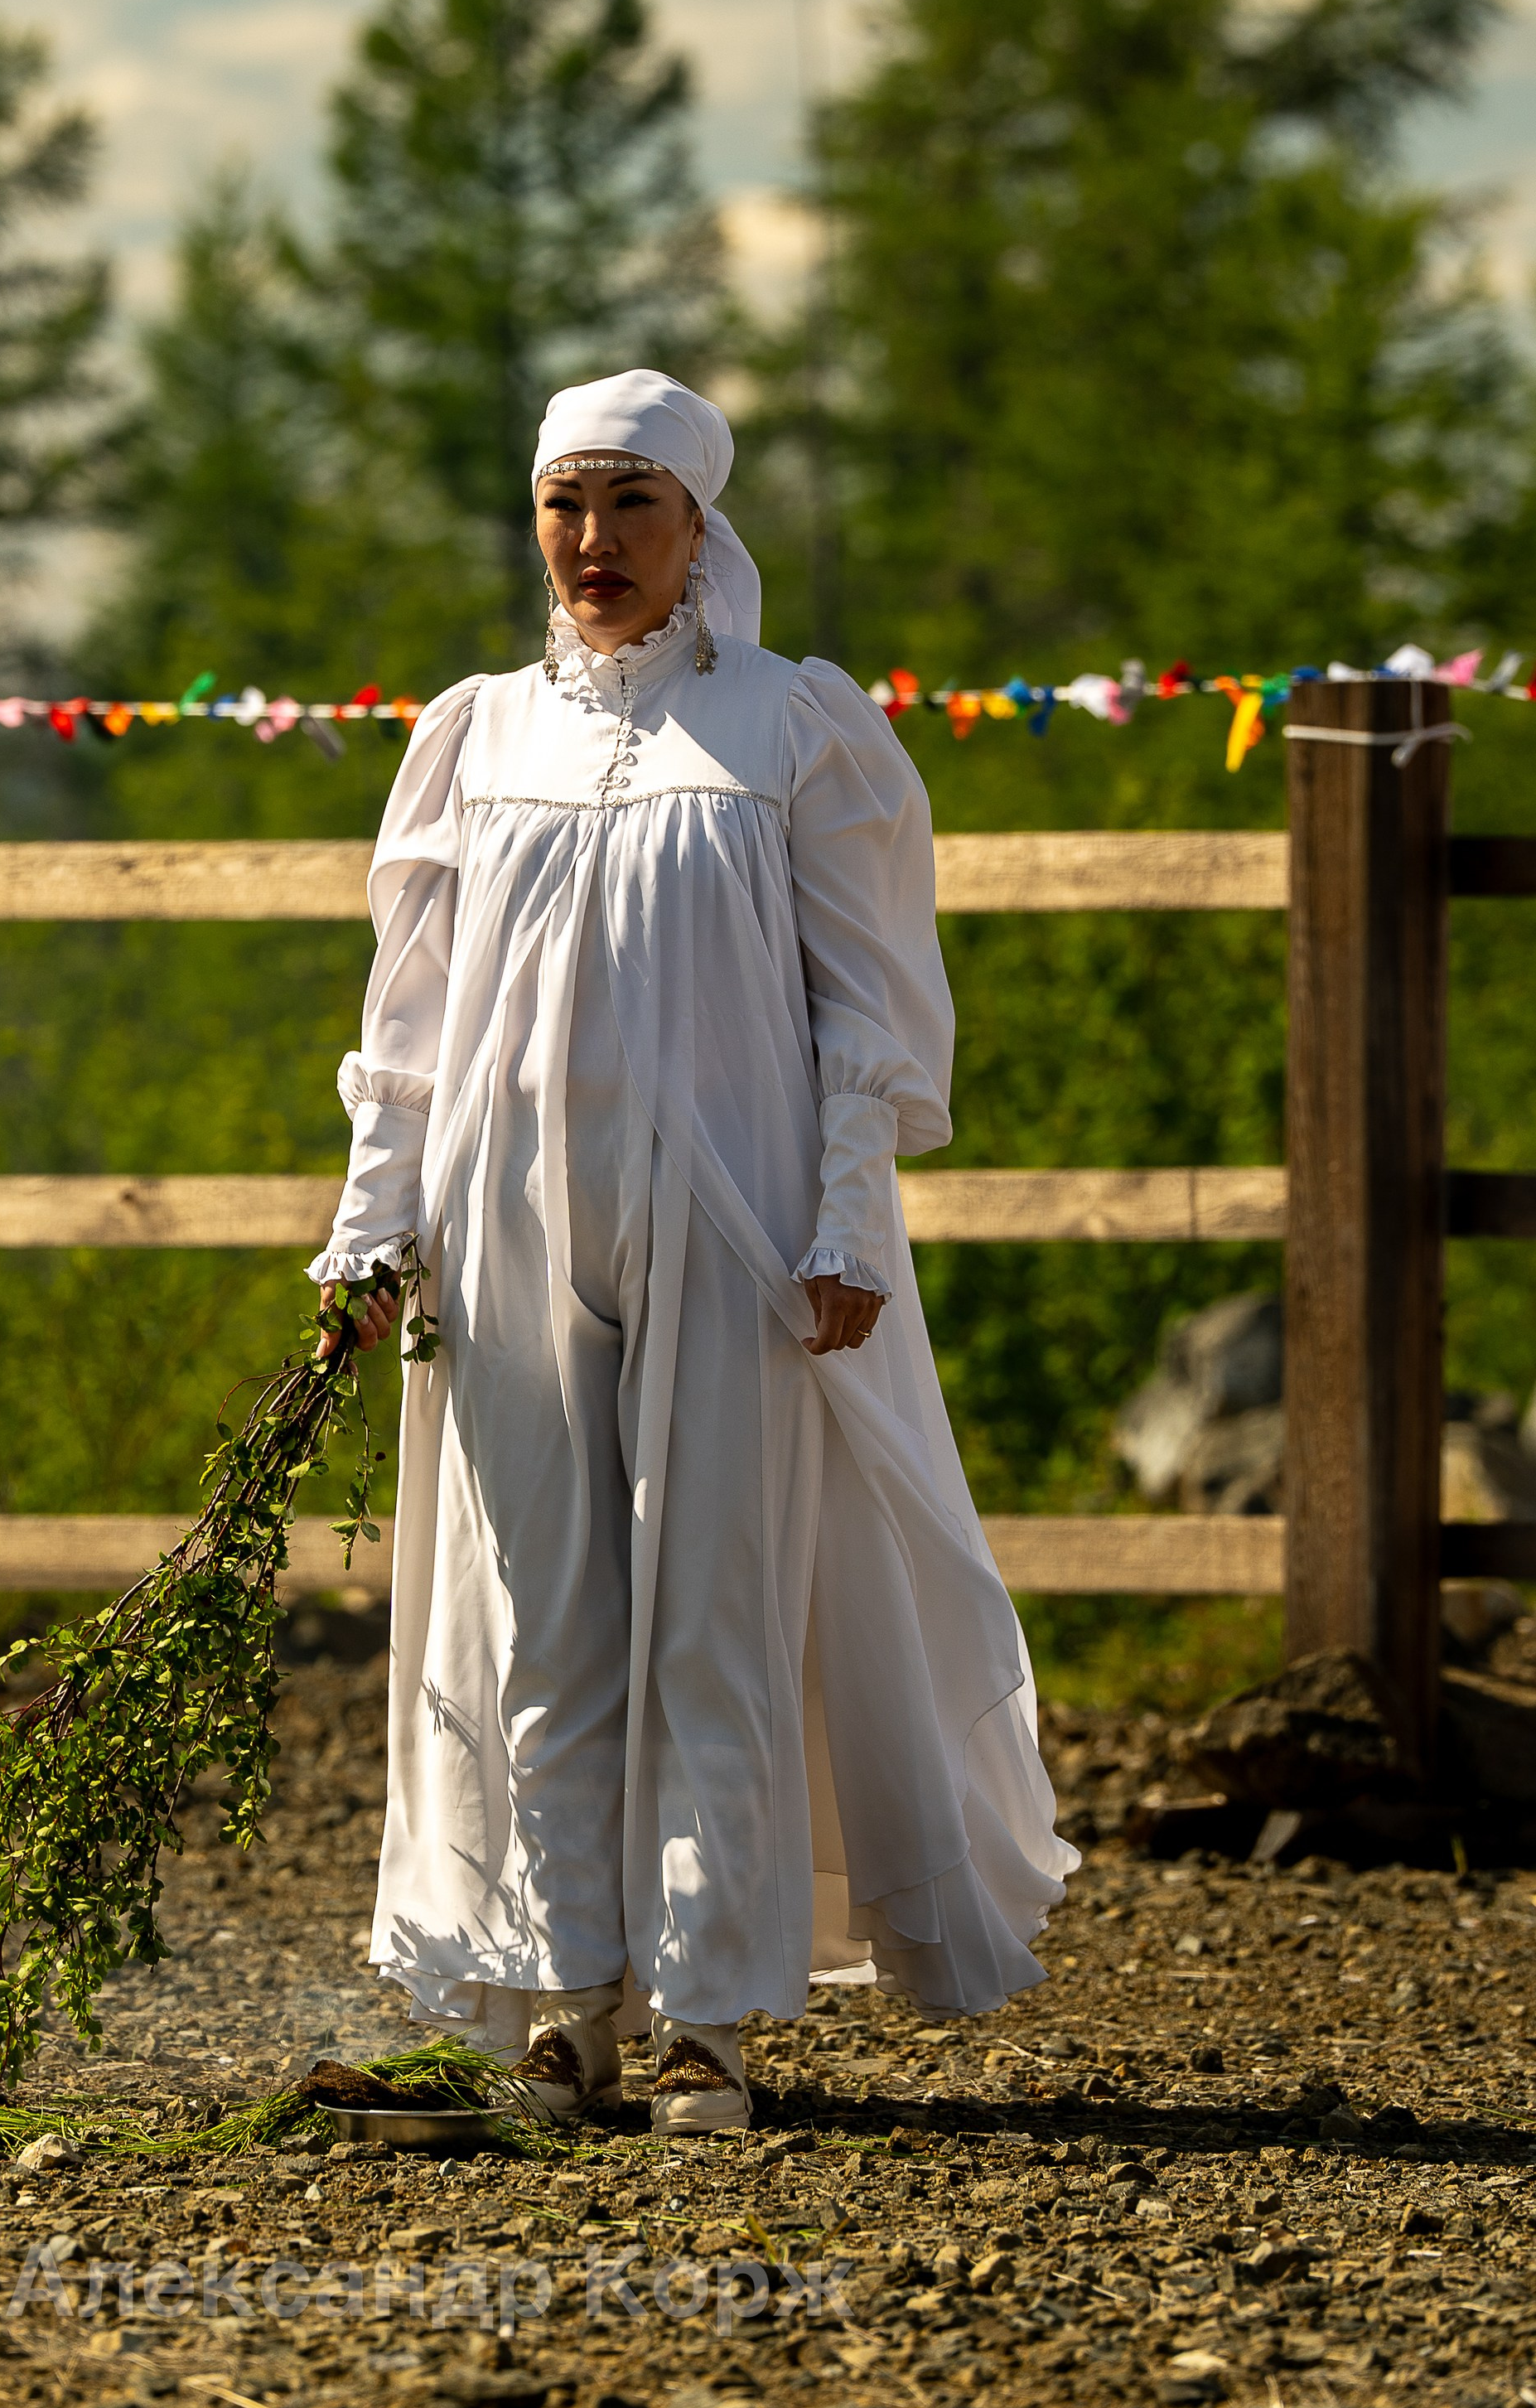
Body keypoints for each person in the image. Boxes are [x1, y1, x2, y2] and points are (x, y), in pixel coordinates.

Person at [312, 370, 1074, 2134]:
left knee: (715, 1612)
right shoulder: (475, 732)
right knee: (542, 1619)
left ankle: (709, 2017)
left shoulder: (792, 725)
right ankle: (568, 1999)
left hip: (730, 1223)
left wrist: (841, 1212)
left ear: (698, 524)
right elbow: (409, 1009)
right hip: (509, 1218)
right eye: (565, 503)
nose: (593, 541)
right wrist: (375, 1215)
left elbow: (860, 1000)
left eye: (630, 504)